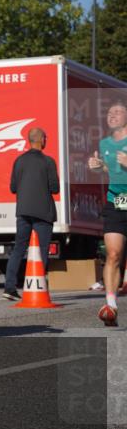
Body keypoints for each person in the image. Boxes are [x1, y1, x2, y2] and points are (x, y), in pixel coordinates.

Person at [3, 127, 59, 301]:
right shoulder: (48, 161)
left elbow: (13, 188)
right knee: (42, 250)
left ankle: (9, 287)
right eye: (46, 138)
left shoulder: (18, 161)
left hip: (23, 211)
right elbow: (55, 188)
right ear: (42, 139)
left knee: (19, 248)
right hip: (43, 212)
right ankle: (39, 287)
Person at [87, 101, 127, 327]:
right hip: (117, 201)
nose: (113, 116)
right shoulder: (105, 143)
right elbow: (108, 169)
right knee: (113, 254)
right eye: (110, 113)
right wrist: (97, 166)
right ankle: (111, 306)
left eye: (119, 112)